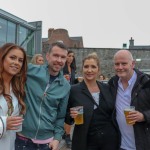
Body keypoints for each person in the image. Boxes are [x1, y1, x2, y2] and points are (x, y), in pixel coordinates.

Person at [15, 42, 70, 150]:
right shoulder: (30, 71)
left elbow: (60, 116)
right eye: (55, 55)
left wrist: (57, 138)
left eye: (63, 57)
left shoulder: (65, 86)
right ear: (47, 56)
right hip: (23, 140)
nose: (59, 60)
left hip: (47, 143)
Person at [65, 53, 120, 150]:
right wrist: (71, 115)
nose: (89, 70)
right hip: (86, 141)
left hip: (110, 140)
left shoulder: (107, 88)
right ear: (82, 69)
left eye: (93, 67)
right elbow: (65, 116)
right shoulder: (73, 90)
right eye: (86, 66)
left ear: (98, 69)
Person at [108, 50, 150, 150]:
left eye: (124, 63)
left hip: (143, 145)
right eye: (117, 64)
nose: (120, 67)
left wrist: (144, 116)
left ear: (133, 64)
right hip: (121, 145)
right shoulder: (112, 84)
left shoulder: (146, 82)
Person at [0, 43, 27, 150]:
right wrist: (3, 123)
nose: (16, 63)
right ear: (2, 58)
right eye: (12, 58)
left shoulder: (17, 89)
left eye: (20, 60)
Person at [63, 50, 76, 148]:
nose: (71, 58)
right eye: (69, 56)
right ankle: (67, 135)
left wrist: (77, 80)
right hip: (63, 93)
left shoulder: (72, 68)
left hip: (71, 92)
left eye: (72, 56)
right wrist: (63, 77)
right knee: (67, 113)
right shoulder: (62, 67)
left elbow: (72, 81)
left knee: (70, 114)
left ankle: (66, 134)